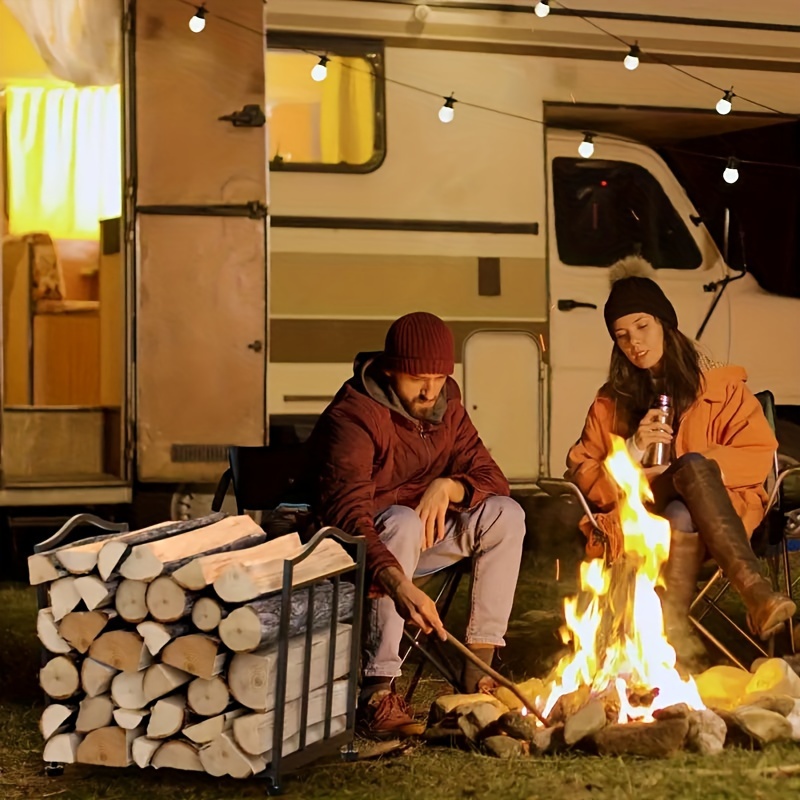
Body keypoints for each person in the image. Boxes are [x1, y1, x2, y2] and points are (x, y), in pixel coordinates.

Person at [304, 311, 526, 737]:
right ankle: (377, 690)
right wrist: (398, 584)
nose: (430, 391)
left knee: (506, 515)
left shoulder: (447, 406)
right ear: (391, 371)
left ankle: (476, 670)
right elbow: (348, 515)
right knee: (403, 521)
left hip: (423, 537)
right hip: (358, 548)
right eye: (417, 378)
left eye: (440, 377)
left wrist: (450, 487)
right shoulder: (355, 415)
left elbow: (492, 478)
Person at [566, 256, 795, 666]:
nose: (634, 343)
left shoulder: (719, 388)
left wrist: (700, 467)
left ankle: (667, 643)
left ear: (664, 324)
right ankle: (755, 594)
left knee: (684, 497)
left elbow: (758, 454)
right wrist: (633, 450)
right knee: (680, 485)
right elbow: (585, 475)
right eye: (621, 336)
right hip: (639, 513)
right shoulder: (610, 401)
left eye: (642, 326)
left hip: (714, 519)